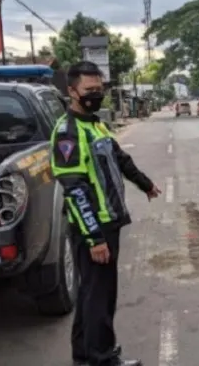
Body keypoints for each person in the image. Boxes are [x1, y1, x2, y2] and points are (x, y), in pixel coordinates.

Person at [50, 61, 161, 366]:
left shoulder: (95, 125)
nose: (96, 95)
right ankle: (103, 358)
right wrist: (94, 237)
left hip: (108, 220)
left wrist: (145, 183)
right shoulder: (68, 134)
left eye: (99, 89)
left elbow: (120, 159)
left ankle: (85, 355)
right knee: (101, 297)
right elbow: (75, 189)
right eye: (90, 90)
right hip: (94, 226)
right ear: (71, 91)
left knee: (90, 293)